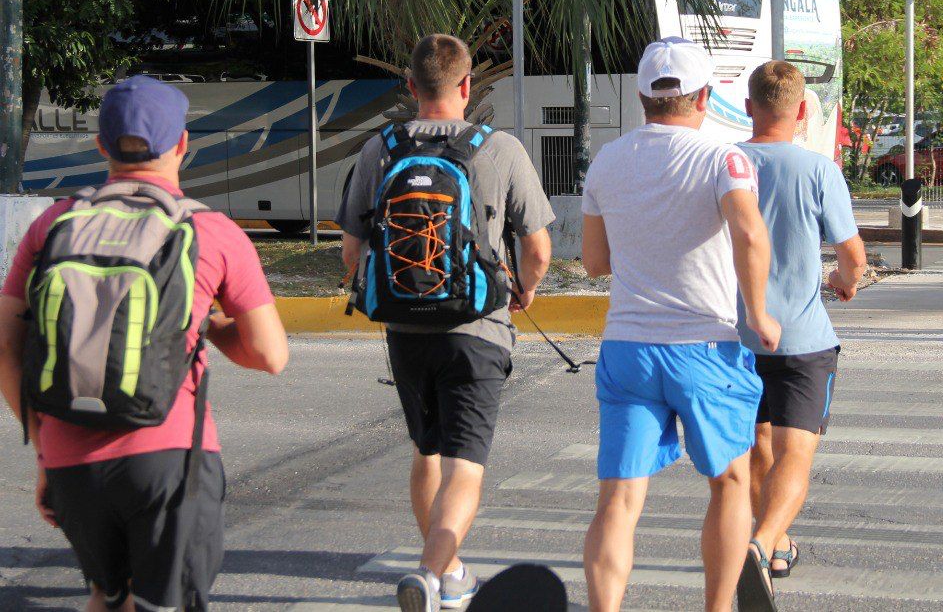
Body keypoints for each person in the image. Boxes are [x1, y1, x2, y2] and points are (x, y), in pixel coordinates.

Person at [0, 75, 289, 612]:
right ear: (181, 144)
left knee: (105, 598)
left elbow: (5, 347)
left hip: (69, 460)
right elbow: (271, 355)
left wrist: (45, 452)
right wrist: (212, 327)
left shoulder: (55, 223)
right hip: (168, 459)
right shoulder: (212, 231)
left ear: (101, 146)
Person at [338, 34, 554, 612]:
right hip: (478, 327)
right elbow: (537, 245)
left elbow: (351, 251)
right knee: (466, 462)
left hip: (406, 330)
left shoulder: (379, 148)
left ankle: (450, 570)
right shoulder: (500, 147)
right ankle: (432, 574)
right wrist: (525, 289)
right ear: (466, 88)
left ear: (410, 88)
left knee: (426, 450)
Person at [579, 36, 781, 612]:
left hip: (628, 348)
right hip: (704, 345)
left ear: (642, 97)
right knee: (731, 483)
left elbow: (595, 264)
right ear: (704, 97)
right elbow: (748, 232)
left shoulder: (607, 161)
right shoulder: (724, 159)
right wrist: (760, 313)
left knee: (617, 499)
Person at [738, 61, 867, 587]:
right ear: (803, 110)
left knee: (754, 449)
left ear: (749, 108)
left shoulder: (724, 163)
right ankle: (766, 542)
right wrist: (845, 280)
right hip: (804, 338)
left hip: (737, 334)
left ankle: (775, 541)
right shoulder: (819, 170)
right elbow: (852, 253)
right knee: (796, 451)